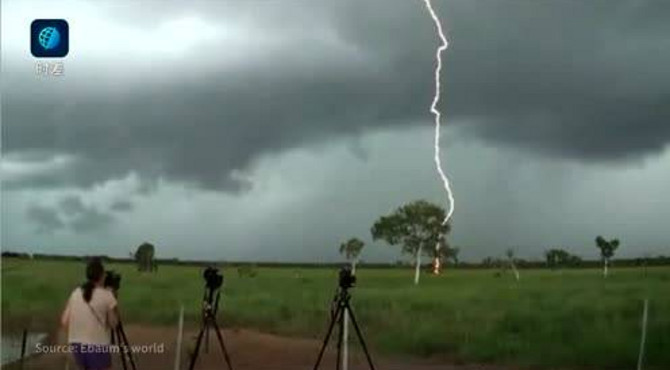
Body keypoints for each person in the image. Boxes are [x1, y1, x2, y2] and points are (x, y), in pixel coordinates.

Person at [60, 258, 120, 370]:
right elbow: (114, 324)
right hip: (97, 346)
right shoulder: (107, 295)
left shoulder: (76, 292)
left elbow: (64, 321)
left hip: (76, 346)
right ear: (102, 275)